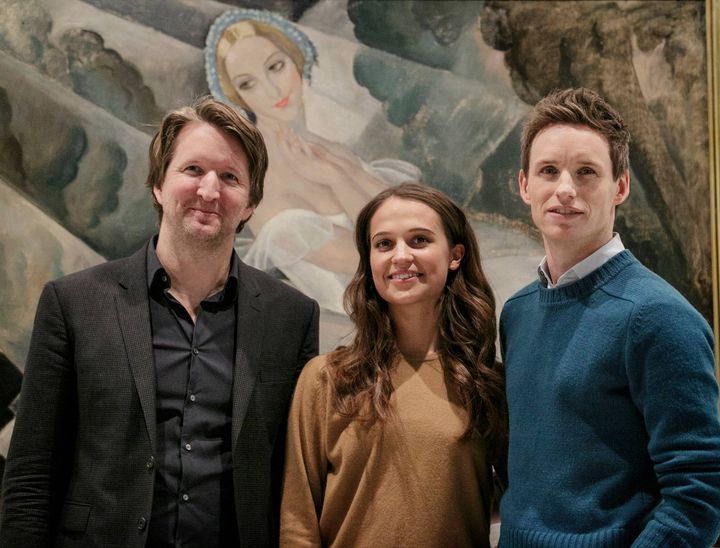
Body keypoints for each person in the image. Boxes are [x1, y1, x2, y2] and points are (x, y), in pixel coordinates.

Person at [0, 96, 319, 547]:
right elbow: (31, 474)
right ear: (158, 185)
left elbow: (297, 478)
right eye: (193, 170)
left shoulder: (293, 316)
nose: (209, 190)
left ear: (250, 203)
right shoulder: (73, 303)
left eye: (230, 177)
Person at [498, 87, 720, 546]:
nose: (565, 189)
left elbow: (701, 492)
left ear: (620, 187)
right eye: (548, 171)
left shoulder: (658, 317)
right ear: (524, 186)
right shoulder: (516, 313)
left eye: (586, 172)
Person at [280, 182, 506, 547]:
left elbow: (520, 494)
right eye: (384, 244)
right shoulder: (327, 379)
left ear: (455, 255)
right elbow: (297, 522)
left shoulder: (487, 382)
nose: (401, 256)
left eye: (419, 240)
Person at [205, 8, 420, 314]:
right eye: (248, 84)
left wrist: (337, 174)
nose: (272, 89)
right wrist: (337, 178)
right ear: (237, 98)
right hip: (375, 320)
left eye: (275, 66)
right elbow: (390, 258)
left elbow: (416, 222)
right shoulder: (261, 187)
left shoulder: (327, 148)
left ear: (296, 57)